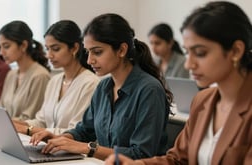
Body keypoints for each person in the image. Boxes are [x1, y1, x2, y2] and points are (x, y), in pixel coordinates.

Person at [104, 1, 252, 165]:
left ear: (236, 51)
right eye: (188, 52)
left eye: (200, 53)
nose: (189, 64)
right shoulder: (202, 100)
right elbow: (178, 159)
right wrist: (138, 164)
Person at [32, 14, 173, 160]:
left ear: (121, 50)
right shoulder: (104, 87)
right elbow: (85, 131)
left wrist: (88, 148)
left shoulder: (149, 90)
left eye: (97, 52)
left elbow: (141, 153)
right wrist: (60, 138)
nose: (89, 60)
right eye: (88, 52)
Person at [11, 20, 100, 135]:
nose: (49, 55)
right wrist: (14, 123)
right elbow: (41, 121)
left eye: (56, 49)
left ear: (74, 48)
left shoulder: (90, 84)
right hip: (48, 147)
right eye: (47, 49)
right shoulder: (55, 81)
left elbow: (76, 132)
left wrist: (29, 130)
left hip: (70, 150)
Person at [0, 20, 51, 123]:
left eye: (6, 46)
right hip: (7, 131)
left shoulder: (40, 76)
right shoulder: (11, 74)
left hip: (26, 136)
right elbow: (2, 111)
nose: (1, 52)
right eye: (1, 46)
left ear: (23, 45)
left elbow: (30, 119)